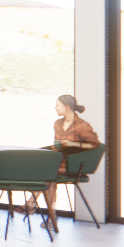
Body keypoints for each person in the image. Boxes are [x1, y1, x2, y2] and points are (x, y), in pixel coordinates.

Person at [31, 94, 100, 222]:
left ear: (66, 107)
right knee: (49, 178)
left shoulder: (82, 126)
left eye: (58, 105)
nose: (55, 108)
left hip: (74, 164)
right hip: (59, 162)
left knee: (48, 175)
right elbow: (60, 144)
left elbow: (95, 145)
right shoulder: (57, 123)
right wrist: (56, 147)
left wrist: (73, 144)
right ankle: (50, 216)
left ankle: (31, 204)